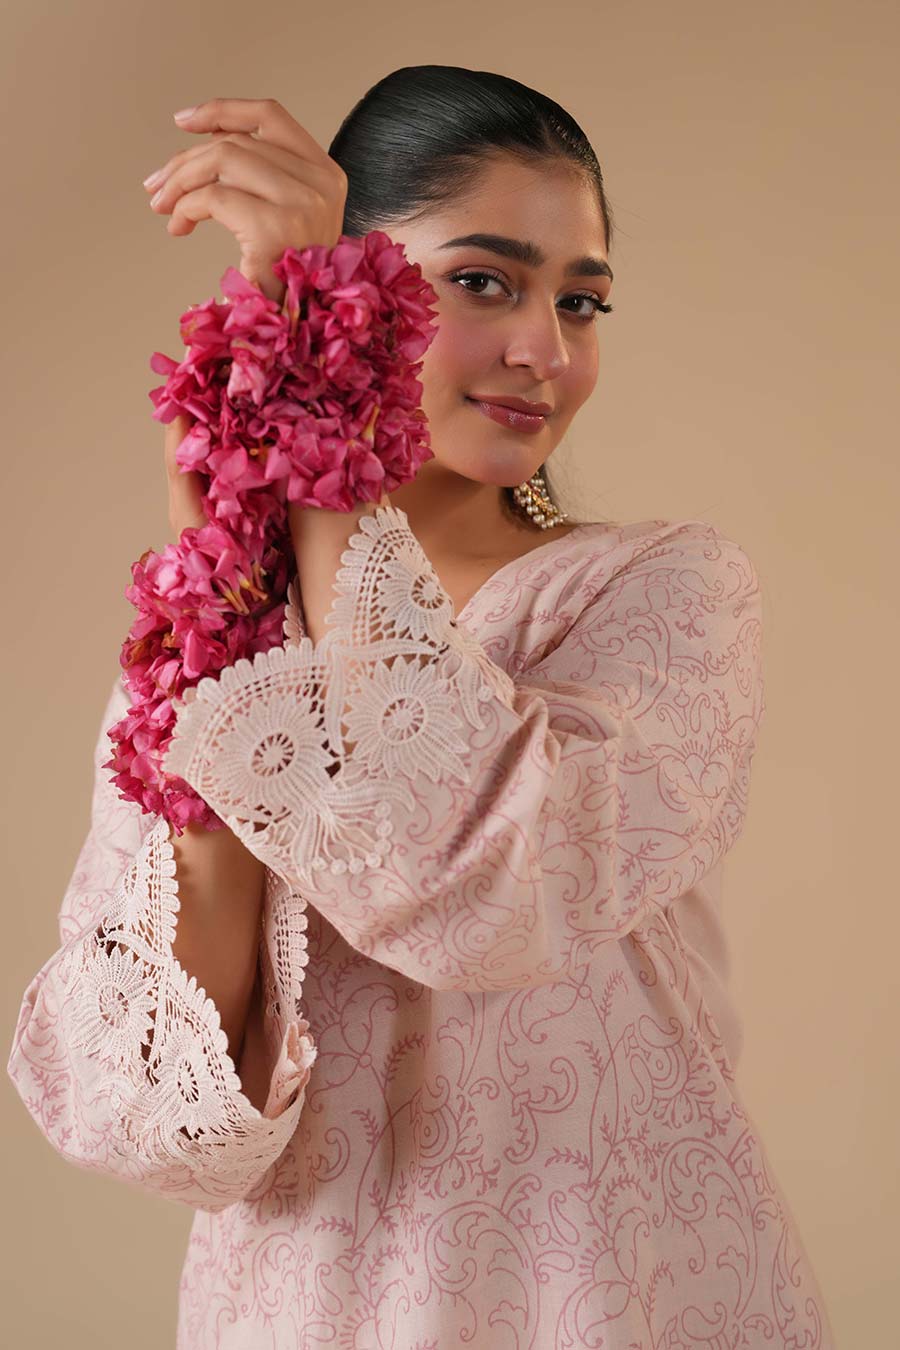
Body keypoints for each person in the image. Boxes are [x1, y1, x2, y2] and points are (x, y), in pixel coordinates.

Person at [7, 67, 836, 1349]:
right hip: (302, 1313)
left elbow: (486, 893)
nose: (545, 350)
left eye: (581, 301)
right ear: (351, 294)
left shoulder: (657, 593)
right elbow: (153, 1122)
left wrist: (314, 422)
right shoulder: (217, 644)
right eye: (484, 282)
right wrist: (225, 638)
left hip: (607, 1301)